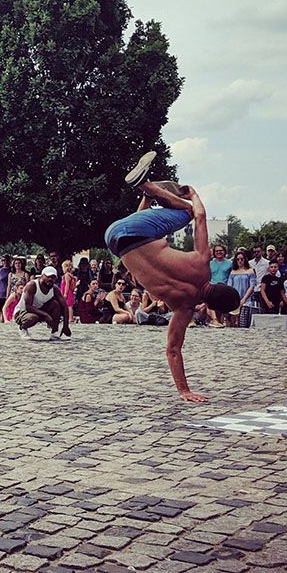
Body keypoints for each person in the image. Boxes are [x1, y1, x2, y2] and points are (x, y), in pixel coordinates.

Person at [103, 151, 240, 402]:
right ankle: (146, 191)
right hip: (113, 240)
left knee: (187, 211)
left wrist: (194, 195)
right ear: (212, 307)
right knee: (151, 237)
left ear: (219, 283)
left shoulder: (202, 265)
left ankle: (146, 187)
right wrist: (184, 390)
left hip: (134, 228)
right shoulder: (183, 309)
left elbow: (200, 216)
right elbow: (173, 350)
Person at [14, 266, 72, 340]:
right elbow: (28, 306)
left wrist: (66, 326)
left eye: (53, 277)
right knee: (33, 317)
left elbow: (64, 306)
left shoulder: (55, 289)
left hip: (39, 309)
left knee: (56, 304)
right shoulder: (32, 285)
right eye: (48, 276)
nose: (50, 279)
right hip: (23, 311)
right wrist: (46, 315)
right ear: (42, 276)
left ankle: (55, 332)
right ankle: (22, 328)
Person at [228, 252, 256, 328]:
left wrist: (244, 299)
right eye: (238, 259)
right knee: (234, 321)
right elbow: (230, 287)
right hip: (235, 299)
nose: (240, 261)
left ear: (245, 260)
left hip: (246, 300)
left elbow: (252, 286)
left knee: (244, 322)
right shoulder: (233, 272)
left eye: (241, 259)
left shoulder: (250, 271)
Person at [60, 260, 77, 324]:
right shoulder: (71, 276)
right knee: (69, 305)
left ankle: (70, 318)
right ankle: (68, 317)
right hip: (70, 292)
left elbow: (67, 285)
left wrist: (65, 293)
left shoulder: (66, 275)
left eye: (63, 268)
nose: (62, 269)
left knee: (69, 306)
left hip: (68, 293)